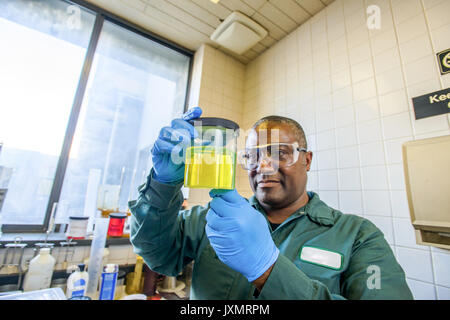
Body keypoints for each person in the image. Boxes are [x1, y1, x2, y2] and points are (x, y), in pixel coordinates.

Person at [128, 106, 413, 300]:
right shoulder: (211, 219)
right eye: (253, 155)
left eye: (279, 152)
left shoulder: (359, 237)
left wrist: (268, 271)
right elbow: (157, 253)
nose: (263, 166)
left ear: (307, 159)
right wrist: (162, 185)